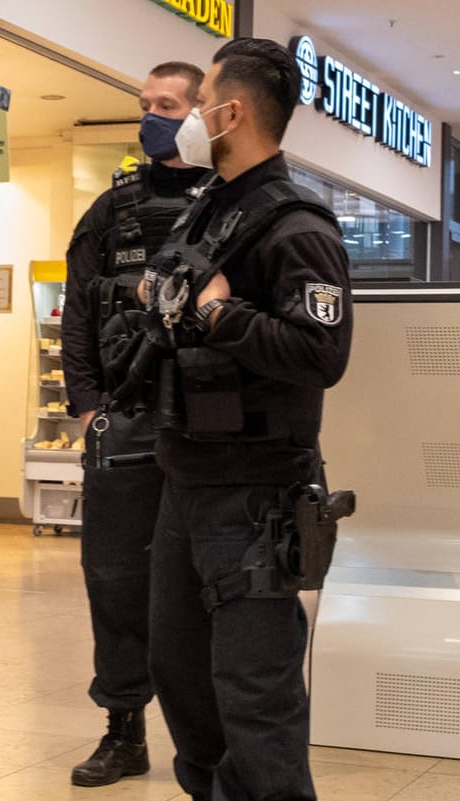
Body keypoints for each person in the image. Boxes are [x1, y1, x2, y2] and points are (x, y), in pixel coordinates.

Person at [137, 38, 352, 801]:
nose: (187, 120)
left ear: (231, 114)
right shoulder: (209, 208)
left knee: (255, 693)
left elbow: (321, 352)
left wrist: (222, 314)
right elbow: (167, 293)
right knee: (180, 674)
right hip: (185, 475)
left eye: (198, 105)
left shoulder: (297, 225)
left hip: (256, 490)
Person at [61, 61, 210, 787]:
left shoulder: (232, 203)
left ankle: (211, 736)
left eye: (167, 105)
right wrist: (88, 407)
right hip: (123, 421)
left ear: (202, 113)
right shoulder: (110, 209)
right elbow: (78, 313)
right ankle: (124, 730)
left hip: (210, 424)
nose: (150, 116)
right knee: (115, 579)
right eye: (144, 104)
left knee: (208, 579)